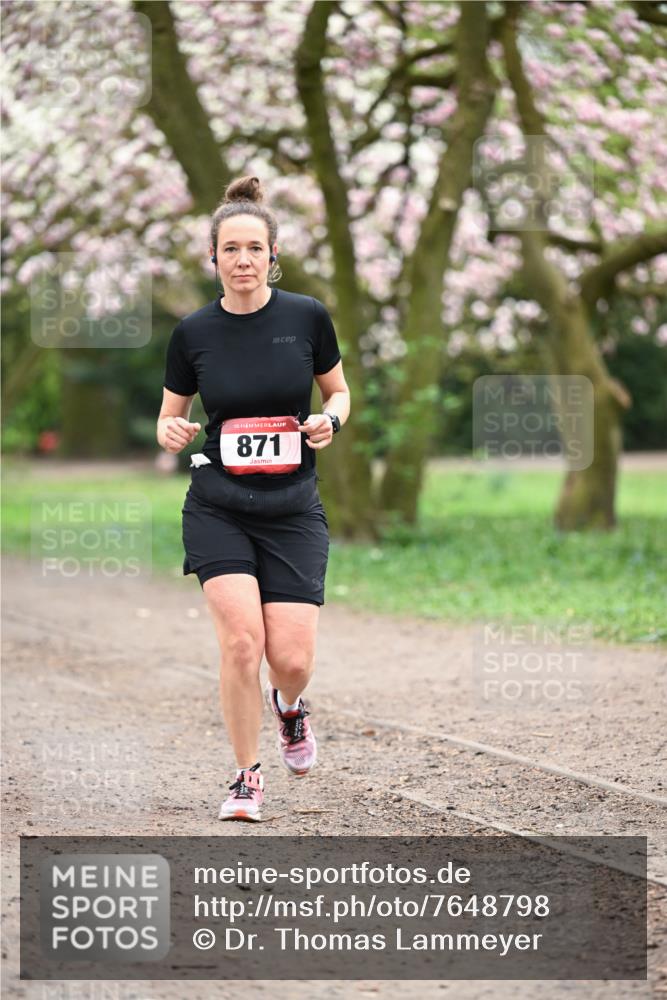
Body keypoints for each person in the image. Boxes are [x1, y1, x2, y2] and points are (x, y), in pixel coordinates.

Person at [156, 175, 350, 821]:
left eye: (254, 249)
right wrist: (172, 431)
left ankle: (289, 707)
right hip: (219, 505)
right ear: (213, 258)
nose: (243, 260)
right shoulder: (192, 332)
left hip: (292, 507)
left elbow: (338, 391)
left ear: (273, 256)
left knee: (289, 660)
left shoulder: (306, 316)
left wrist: (331, 420)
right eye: (231, 249)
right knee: (242, 644)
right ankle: (246, 778)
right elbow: (170, 417)